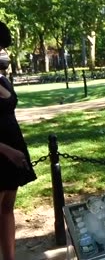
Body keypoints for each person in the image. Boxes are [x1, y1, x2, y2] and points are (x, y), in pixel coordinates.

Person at [0, 21, 37, 260]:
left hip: (12, 151)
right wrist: (6, 151)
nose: (3, 51)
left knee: (6, 208)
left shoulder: (2, 78)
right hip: (1, 154)